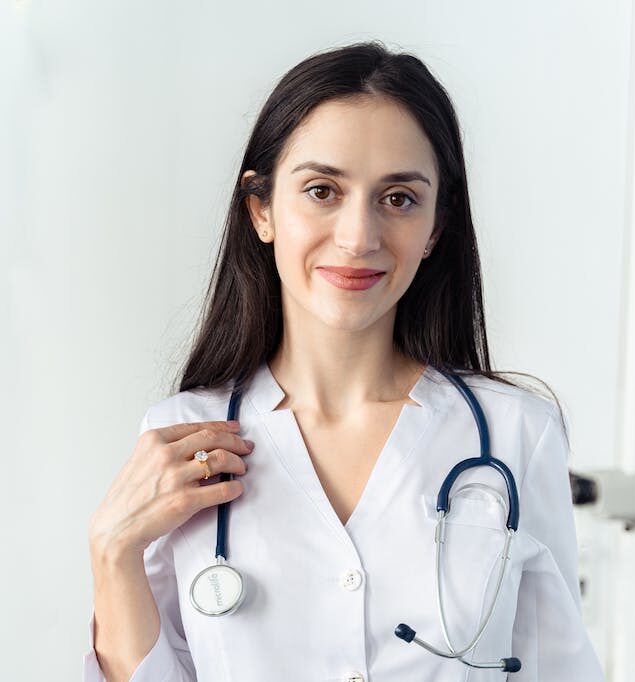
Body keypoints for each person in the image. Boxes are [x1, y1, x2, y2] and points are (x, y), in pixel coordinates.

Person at [83, 41, 605, 681]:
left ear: (436, 227)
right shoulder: (182, 439)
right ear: (261, 208)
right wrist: (112, 552)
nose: (358, 237)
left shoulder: (516, 435)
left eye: (398, 198)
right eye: (323, 190)